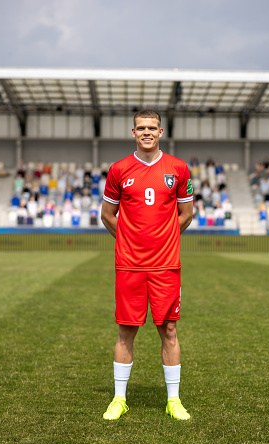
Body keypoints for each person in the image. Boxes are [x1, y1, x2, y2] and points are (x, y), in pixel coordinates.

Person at [101, 109, 193, 421]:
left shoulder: (178, 169)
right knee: (126, 330)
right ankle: (119, 398)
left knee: (169, 329)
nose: (147, 133)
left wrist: (164, 240)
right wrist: (128, 240)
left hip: (166, 265)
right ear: (133, 132)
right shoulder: (119, 169)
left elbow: (186, 214)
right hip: (129, 265)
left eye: (152, 128)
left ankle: (173, 400)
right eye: (141, 128)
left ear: (161, 131)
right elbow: (107, 215)